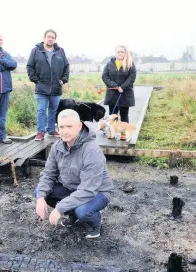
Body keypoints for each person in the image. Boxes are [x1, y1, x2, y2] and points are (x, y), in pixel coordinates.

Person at [34, 109, 114, 239]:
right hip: (72, 188)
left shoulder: (91, 150)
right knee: (40, 191)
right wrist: (40, 198)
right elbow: (48, 174)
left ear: (79, 126)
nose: (65, 131)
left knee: (82, 211)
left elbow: (88, 190)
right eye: (61, 127)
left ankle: (96, 223)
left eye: (69, 126)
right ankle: (72, 214)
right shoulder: (57, 147)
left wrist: (60, 208)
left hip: (97, 191)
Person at [27, 29, 70, 141]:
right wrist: (34, 79)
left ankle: (51, 129)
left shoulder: (60, 51)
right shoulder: (36, 50)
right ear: (44, 38)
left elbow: (66, 67)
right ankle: (40, 132)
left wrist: (64, 79)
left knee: (53, 110)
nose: (50, 39)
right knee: (41, 110)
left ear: (55, 39)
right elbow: (30, 66)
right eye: (48, 36)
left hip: (56, 87)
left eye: (53, 37)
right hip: (41, 87)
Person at [101, 45, 136, 141]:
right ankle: (112, 132)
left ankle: (124, 133)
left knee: (124, 114)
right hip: (112, 93)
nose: (120, 53)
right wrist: (115, 86)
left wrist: (122, 87)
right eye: (118, 51)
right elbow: (104, 76)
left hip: (125, 93)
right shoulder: (109, 64)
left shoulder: (130, 64)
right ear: (115, 53)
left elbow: (132, 77)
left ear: (125, 53)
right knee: (113, 115)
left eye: (122, 51)